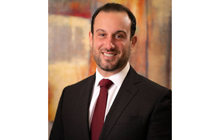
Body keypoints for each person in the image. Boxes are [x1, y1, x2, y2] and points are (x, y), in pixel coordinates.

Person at [49, 3, 171, 140]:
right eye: (102, 34)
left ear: (132, 42)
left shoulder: (157, 99)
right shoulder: (70, 96)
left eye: (119, 36)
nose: (109, 45)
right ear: (91, 38)